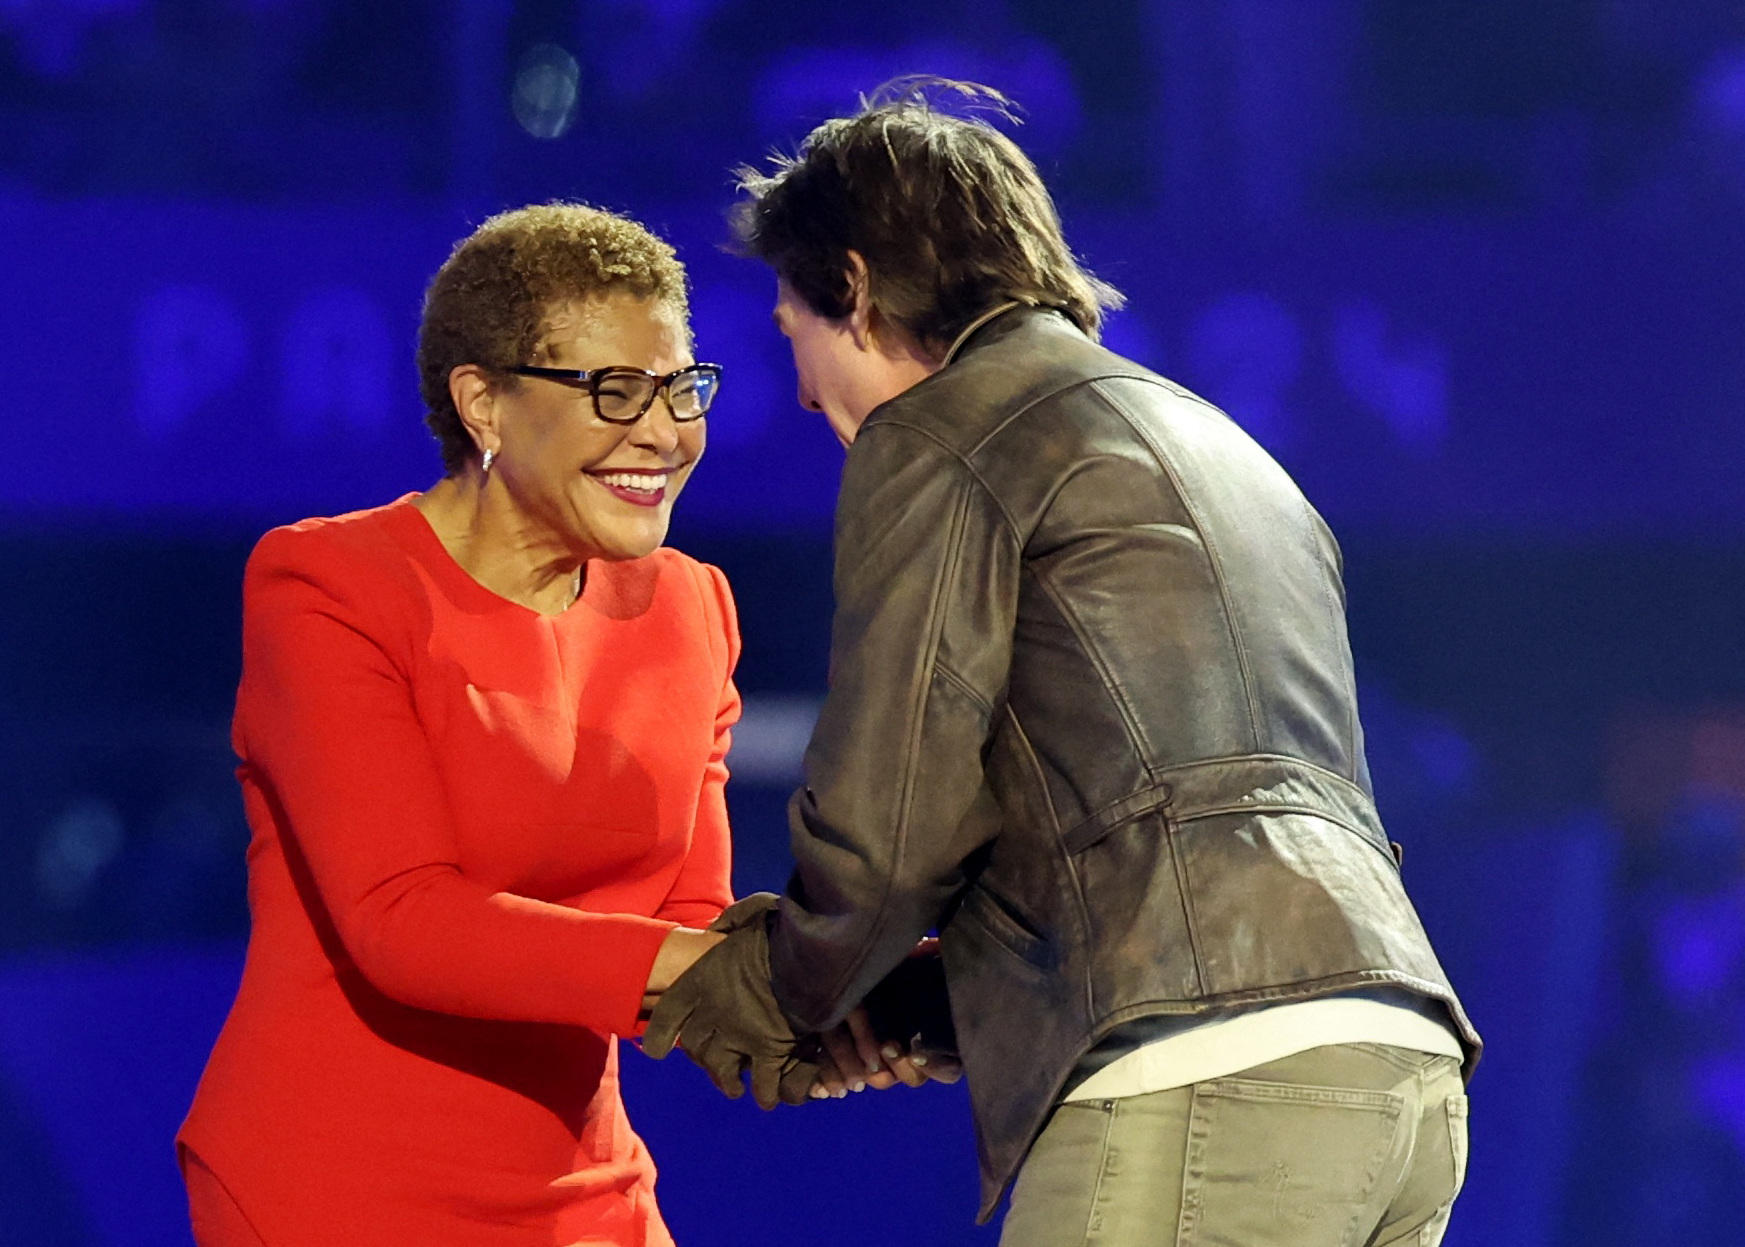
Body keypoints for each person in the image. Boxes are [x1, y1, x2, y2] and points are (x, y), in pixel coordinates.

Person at [644, 80, 1483, 1245]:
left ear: (849, 283)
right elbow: (1146, 828)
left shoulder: (938, 433)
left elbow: (891, 826)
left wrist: (772, 993)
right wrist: (909, 1003)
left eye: (794, 332)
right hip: (1396, 1071)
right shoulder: (1229, 450)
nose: (798, 389)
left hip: (1198, 1078)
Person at [177, 202, 743, 1246]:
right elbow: (403, 920)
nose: (664, 432)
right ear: (482, 402)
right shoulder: (326, 585)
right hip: (342, 1183)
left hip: (588, 1191)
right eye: (615, 391)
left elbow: (691, 930)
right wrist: (725, 971)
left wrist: (858, 996)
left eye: (680, 387)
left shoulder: (688, 605)